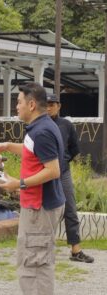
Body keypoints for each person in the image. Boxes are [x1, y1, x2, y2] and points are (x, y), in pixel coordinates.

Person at [0, 83, 65, 295]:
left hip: (40, 206)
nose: (17, 106)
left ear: (31, 104)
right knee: (30, 254)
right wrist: (8, 146)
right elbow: (33, 152)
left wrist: (17, 183)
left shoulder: (41, 131)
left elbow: (52, 170)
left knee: (37, 258)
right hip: (35, 203)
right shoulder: (39, 127)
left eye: (19, 101)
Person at [46, 94, 93, 263]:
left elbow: (74, 149)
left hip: (63, 173)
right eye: (46, 104)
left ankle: (76, 250)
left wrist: (63, 163)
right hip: (44, 173)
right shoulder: (38, 124)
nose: (49, 107)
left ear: (59, 106)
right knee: (45, 211)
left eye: (52, 104)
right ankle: (44, 249)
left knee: (70, 210)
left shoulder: (66, 125)